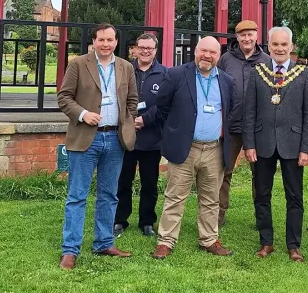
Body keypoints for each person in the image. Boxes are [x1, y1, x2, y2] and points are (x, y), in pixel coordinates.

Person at [56, 23, 138, 269]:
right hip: (85, 138)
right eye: (101, 40)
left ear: (116, 42)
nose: (106, 44)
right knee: (77, 196)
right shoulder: (79, 64)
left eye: (110, 40)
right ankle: (70, 250)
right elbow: (63, 97)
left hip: (114, 139)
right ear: (93, 42)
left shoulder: (125, 67)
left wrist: (127, 121)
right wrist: (82, 114)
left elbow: (132, 100)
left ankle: (104, 243)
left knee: (109, 195)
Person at [150, 36, 236, 259]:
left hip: (214, 150)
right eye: (203, 50)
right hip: (185, 148)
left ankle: (209, 239)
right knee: (175, 197)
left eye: (213, 52)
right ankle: (166, 241)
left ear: (219, 56)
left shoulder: (226, 81)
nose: (207, 56)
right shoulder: (177, 74)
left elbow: (230, 112)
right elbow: (162, 106)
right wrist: (177, 129)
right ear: (196, 51)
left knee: (210, 198)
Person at [244, 26, 308, 262]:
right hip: (263, 142)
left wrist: (307, 148)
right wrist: (249, 144)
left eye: (284, 45)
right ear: (268, 45)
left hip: (293, 144)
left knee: (294, 196)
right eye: (275, 44)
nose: (279, 49)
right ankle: (266, 242)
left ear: (291, 47)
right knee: (261, 195)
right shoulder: (258, 72)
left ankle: (293, 245)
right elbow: (249, 112)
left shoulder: (305, 74)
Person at [113, 33, 167, 238]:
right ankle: (120, 220)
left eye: (149, 48)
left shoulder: (165, 74)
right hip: (125, 137)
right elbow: (116, 98)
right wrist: (129, 120)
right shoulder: (123, 70)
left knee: (150, 183)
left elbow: (165, 104)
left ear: (155, 50)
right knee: (122, 181)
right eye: (141, 47)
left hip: (152, 138)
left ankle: (147, 222)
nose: (145, 51)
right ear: (135, 48)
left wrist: (145, 120)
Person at [216, 19, 268, 226]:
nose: (247, 38)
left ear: (257, 36)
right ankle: (218, 216)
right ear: (237, 38)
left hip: (258, 127)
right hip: (231, 125)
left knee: (260, 174)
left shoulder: (266, 60)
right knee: (224, 171)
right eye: (242, 35)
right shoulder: (226, 60)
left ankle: (261, 218)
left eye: (250, 34)